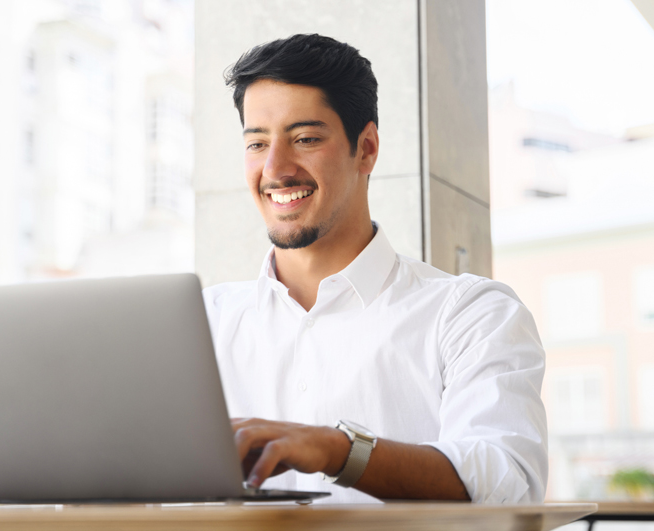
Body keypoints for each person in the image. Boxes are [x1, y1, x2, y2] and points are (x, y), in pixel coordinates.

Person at [203, 33, 547, 504]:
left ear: (366, 148)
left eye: (304, 139)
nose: (276, 169)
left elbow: (505, 483)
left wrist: (339, 450)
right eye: (258, 143)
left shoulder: (471, 314)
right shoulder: (204, 322)